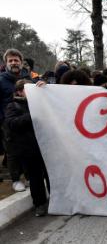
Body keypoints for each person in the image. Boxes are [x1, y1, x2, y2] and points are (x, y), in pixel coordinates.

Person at [4, 79, 49, 216]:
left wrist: (45, 87)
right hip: (28, 149)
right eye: (27, 89)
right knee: (35, 178)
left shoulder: (39, 101)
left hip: (46, 146)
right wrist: (31, 116)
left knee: (50, 174)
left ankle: (58, 199)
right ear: (19, 92)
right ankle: (40, 204)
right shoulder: (13, 106)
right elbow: (12, 123)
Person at [0, 49, 31, 192]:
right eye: (10, 60)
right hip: (8, 123)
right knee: (12, 153)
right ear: (6, 63)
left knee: (29, 149)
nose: (13, 63)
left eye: (16, 60)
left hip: (27, 120)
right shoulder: (1, 80)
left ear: (21, 62)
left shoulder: (29, 77)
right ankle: (16, 180)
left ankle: (30, 176)